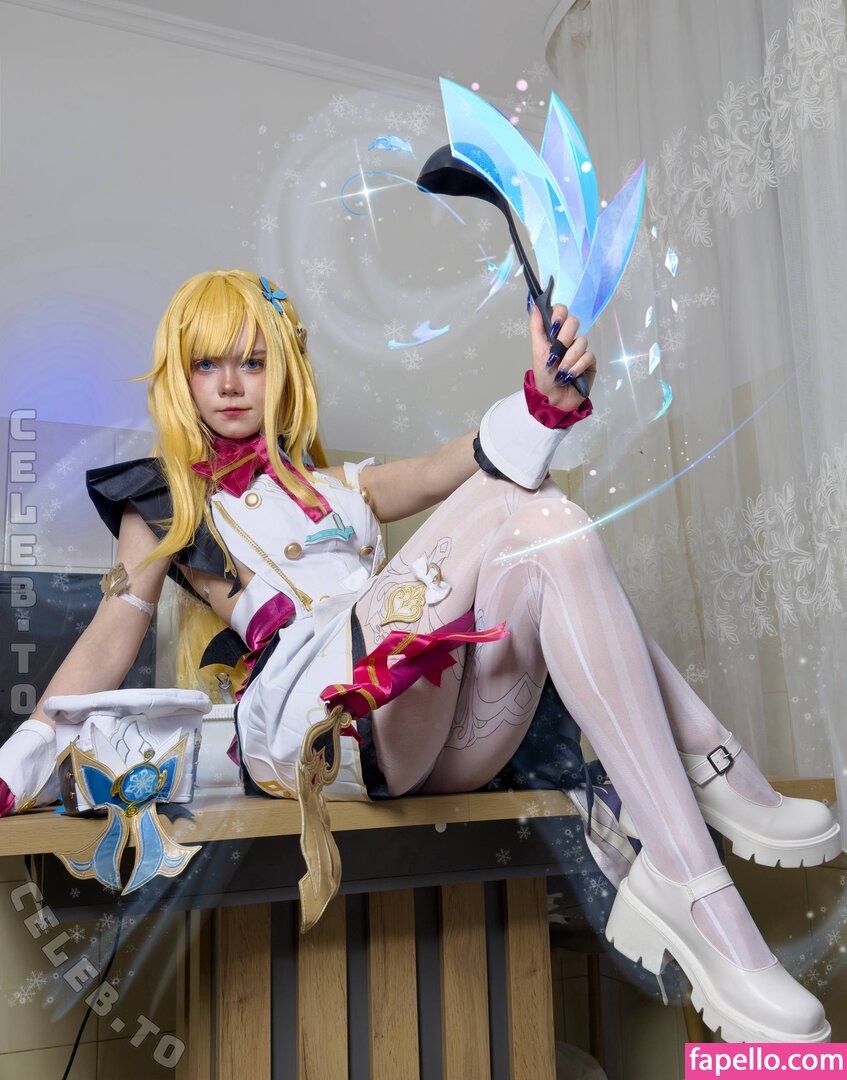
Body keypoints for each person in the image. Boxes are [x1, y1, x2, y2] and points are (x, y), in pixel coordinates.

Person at [0, 269, 840, 1043]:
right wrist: (23, 755)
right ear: (177, 375)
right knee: (522, 497)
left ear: (284, 369)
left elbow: (447, 466)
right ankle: (708, 783)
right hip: (310, 724)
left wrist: (541, 397)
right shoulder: (168, 499)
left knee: (545, 524)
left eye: (252, 362)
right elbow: (110, 637)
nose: (228, 384)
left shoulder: (346, 491)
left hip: (424, 736)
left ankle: (684, 855)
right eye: (205, 363)